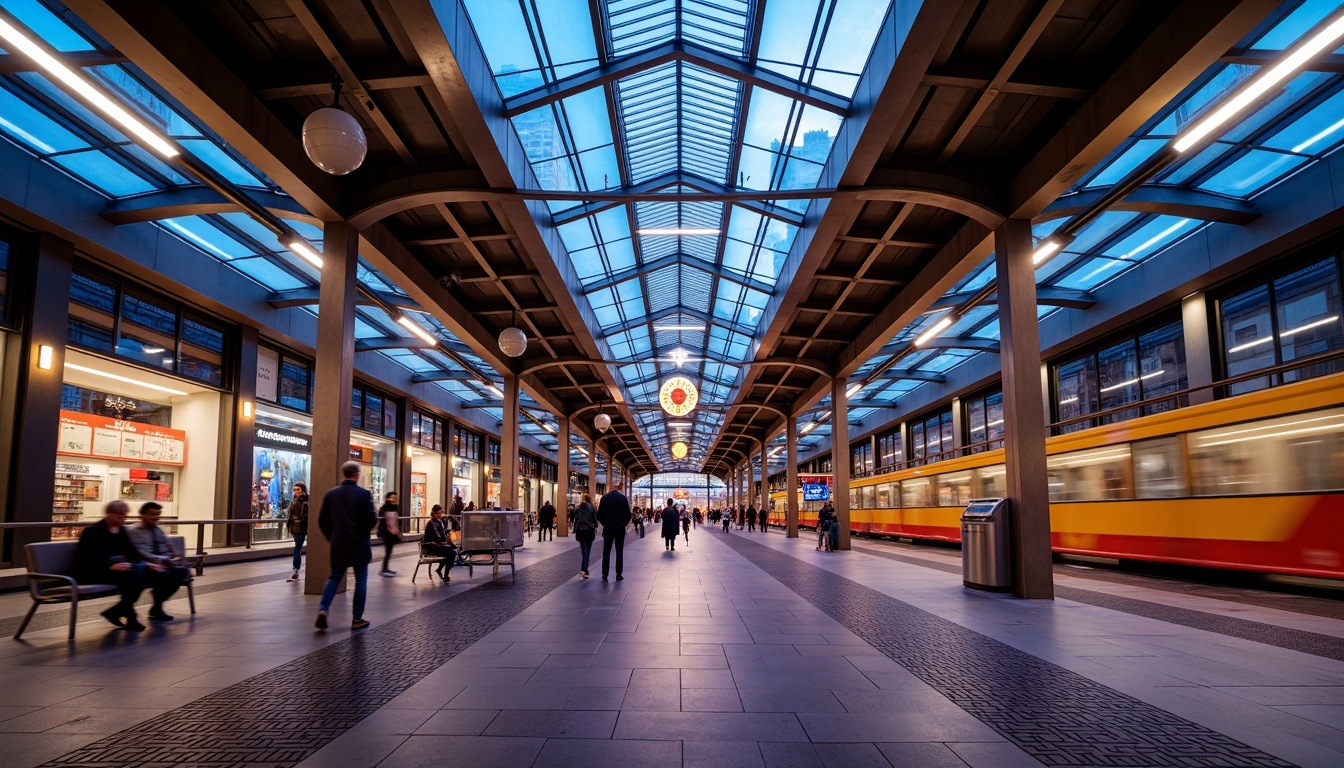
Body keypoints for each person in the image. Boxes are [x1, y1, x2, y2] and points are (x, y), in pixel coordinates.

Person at [316, 462, 377, 631]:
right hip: (359, 543)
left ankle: (323, 609)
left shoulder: (331, 494)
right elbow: (372, 519)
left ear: (344, 474)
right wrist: (363, 532)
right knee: (361, 579)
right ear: (356, 475)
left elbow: (322, 520)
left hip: (339, 542)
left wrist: (332, 536)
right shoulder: (364, 494)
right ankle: (357, 618)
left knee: (334, 577)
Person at [76, 500, 151, 630]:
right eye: (120, 514)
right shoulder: (91, 532)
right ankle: (129, 617)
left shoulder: (121, 531)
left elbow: (132, 552)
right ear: (109, 514)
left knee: (144, 573)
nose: (123, 518)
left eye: (125, 515)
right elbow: (85, 559)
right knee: (132, 578)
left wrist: (146, 563)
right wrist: (109, 566)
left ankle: (116, 613)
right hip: (94, 571)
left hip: (116, 570)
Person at [127, 502, 191, 621]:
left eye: (158, 514)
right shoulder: (134, 530)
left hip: (160, 564)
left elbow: (165, 547)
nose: (156, 517)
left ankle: (157, 605)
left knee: (181, 572)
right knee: (165, 576)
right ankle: (157, 607)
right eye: (152, 514)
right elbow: (139, 552)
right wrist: (160, 560)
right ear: (142, 515)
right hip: (145, 565)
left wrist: (168, 559)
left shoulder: (157, 530)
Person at [597, 483, 632, 581]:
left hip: (608, 528)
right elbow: (628, 514)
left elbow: (599, 515)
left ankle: (605, 574)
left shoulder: (604, 498)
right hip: (620, 528)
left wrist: (605, 523)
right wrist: (623, 523)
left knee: (606, 551)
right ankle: (619, 574)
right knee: (619, 551)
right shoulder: (623, 498)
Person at [422, 504, 456, 582]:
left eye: (441, 513)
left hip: (438, 545)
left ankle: (441, 570)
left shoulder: (440, 522)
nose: (440, 515)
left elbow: (442, 534)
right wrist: (444, 543)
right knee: (451, 552)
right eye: (438, 513)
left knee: (452, 550)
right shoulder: (431, 523)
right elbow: (437, 537)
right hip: (431, 547)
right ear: (434, 513)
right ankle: (446, 574)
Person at [286, 482, 309, 581]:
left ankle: (296, 569)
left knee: (297, 548)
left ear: (302, 490)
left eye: (297, 489)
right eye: (294, 489)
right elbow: (289, 515)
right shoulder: (294, 501)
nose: (295, 492)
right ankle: (296, 569)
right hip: (296, 528)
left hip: (302, 527)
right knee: (297, 548)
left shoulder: (306, 501)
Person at [572, 492, 597, 579]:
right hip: (589, 531)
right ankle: (584, 568)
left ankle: (584, 567)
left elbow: (573, 514)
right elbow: (595, 520)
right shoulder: (591, 507)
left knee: (583, 550)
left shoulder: (578, 508)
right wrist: (595, 525)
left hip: (580, 531)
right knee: (588, 550)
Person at [377, 491, 400, 577]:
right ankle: (384, 569)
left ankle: (385, 568)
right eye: (392, 498)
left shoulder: (394, 507)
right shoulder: (384, 508)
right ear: (388, 498)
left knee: (389, 551)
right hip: (386, 532)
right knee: (388, 551)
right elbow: (384, 517)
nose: (394, 500)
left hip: (392, 532)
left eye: (395, 498)